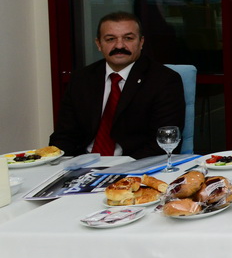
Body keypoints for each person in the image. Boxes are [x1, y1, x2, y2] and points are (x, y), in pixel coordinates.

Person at [49, 11, 185, 160]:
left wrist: (123, 168)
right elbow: (64, 136)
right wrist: (59, 165)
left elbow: (164, 141)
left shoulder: (163, 80)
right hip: (82, 164)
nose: (119, 45)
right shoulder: (81, 79)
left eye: (128, 38)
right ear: (99, 44)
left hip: (135, 164)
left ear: (141, 42)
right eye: (110, 39)